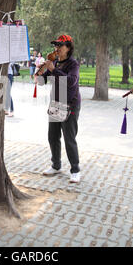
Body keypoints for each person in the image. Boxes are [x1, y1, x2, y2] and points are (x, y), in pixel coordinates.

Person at [36, 35, 81, 183]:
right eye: (56, 45)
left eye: (60, 46)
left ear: (68, 48)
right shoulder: (54, 62)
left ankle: (75, 170)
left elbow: (71, 81)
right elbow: (42, 83)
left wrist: (53, 70)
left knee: (69, 138)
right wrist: (40, 73)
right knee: (53, 136)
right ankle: (56, 165)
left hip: (70, 104)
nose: (57, 49)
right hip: (56, 102)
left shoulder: (73, 64)